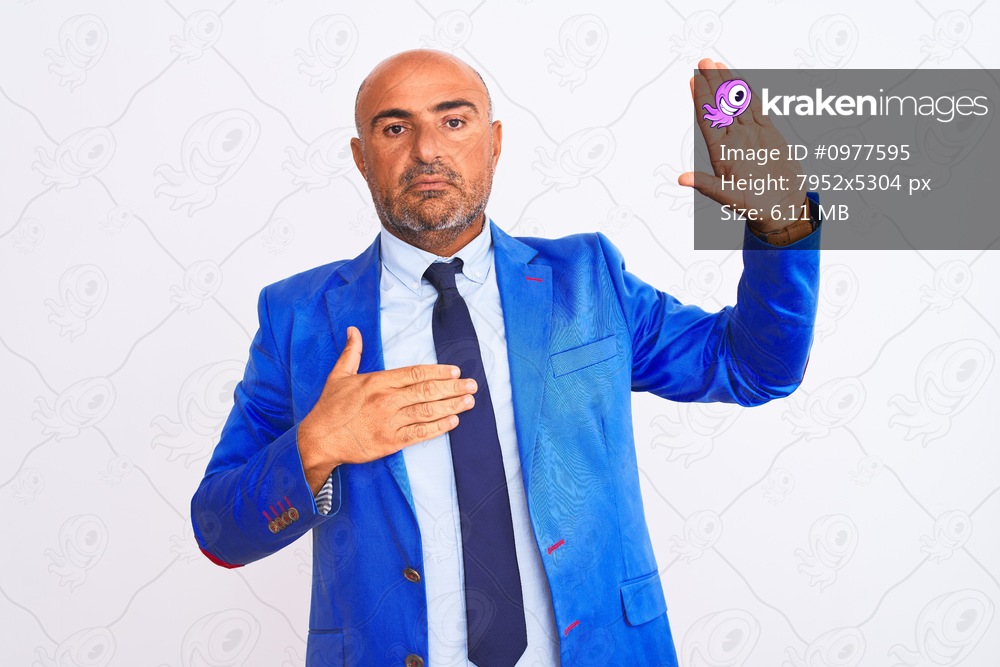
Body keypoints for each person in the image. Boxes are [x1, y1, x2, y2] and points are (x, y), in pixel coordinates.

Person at [191, 50, 820, 667]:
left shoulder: (588, 280)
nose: (427, 149)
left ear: (494, 142)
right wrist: (315, 445)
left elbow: (753, 368)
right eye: (394, 126)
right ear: (361, 157)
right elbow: (219, 530)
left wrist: (784, 230)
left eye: (454, 120)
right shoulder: (298, 317)